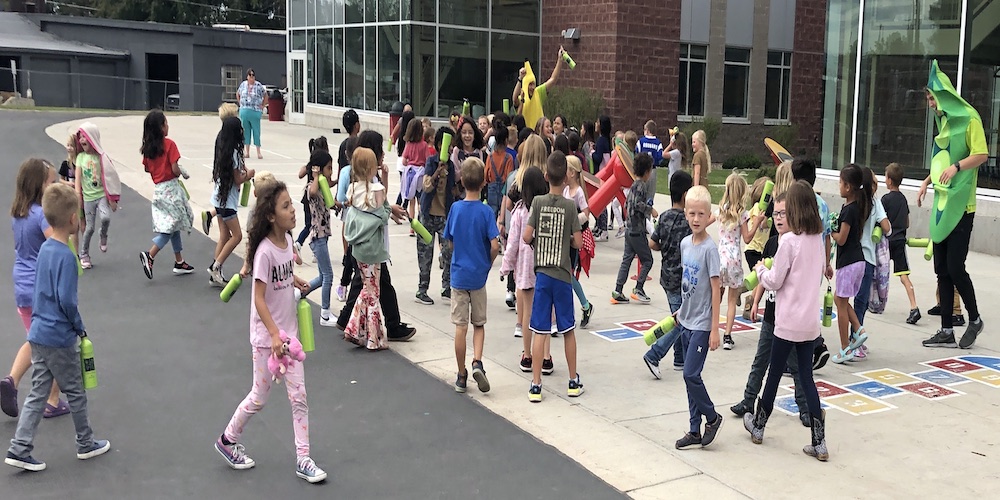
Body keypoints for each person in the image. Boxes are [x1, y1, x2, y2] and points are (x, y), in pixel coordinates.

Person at [214, 180, 326, 483]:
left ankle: (303, 458)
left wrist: (295, 280)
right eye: (286, 206)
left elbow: (283, 275)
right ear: (271, 216)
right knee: (259, 397)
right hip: (267, 340)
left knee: (299, 397)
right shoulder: (264, 252)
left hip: (288, 337)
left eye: (292, 204)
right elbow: (259, 298)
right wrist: (275, 335)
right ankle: (227, 440)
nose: (293, 211)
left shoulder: (288, 242)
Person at [5, 183, 111, 472]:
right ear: (74, 219)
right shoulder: (66, 256)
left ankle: (20, 446)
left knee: (38, 391)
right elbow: (66, 300)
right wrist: (79, 327)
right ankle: (85, 442)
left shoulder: (45, 251)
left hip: (38, 333)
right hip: (58, 336)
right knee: (75, 390)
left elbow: (41, 291)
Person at [743, 181, 829, 462]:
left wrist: (759, 268)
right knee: (806, 378)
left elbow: (774, 280)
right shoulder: (817, 238)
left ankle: (758, 425)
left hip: (787, 321)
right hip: (809, 323)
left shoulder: (789, 241)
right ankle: (819, 442)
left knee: (775, 373)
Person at [918, 60, 986, 349]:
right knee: (941, 270)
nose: (931, 104)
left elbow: (981, 154)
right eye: (929, 99)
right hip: (943, 205)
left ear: (945, 94)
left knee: (956, 267)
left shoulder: (970, 119)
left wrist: (958, 167)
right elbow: (941, 163)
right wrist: (926, 181)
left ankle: (975, 319)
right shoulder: (944, 122)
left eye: (933, 98)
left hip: (963, 207)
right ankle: (946, 328)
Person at [731, 194, 812, 428]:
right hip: (772, 315)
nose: (778, 218)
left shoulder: (797, 243)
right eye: (775, 213)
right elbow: (763, 276)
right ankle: (748, 400)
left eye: (783, 213)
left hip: (791, 318)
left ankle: (805, 408)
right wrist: (756, 301)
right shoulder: (773, 243)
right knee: (761, 359)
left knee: (797, 366)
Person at [335, 131, 416, 341]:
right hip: (371, 244)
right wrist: (390, 210)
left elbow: (381, 204)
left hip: (362, 242)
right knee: (374, 287)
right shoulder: (371, 182)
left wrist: (390, 207)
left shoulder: (362, 180)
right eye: (380, 150)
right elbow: (380, 208)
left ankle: (350, 320)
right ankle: (382, 326)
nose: (383, 155)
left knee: (365, 283)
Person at [2, 159, 67, 420]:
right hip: (42, 287)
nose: (56, 186)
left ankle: (12, 380)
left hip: (23, 286)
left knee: (36, 340)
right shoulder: (41, 215)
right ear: (39, 186)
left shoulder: (19, 213)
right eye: (52, 182)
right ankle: (51, 399)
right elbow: (56, 241)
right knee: (53, 344)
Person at [523, 151, 583, 403]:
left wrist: (539, 241)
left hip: (543, 274)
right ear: (566, 179)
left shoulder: (537, 202)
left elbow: (527, 236)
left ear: (546, 176)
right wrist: (566, 238)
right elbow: (578, 243)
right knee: (568, 329)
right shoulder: (570, 207)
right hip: (562, 274)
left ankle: (536, 385)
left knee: (540, 329)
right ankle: (572, 381)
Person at [673, 185, 724, 450]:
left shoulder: (709, 249)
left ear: (709, 216)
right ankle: (694, 429)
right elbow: (687, 284)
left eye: (701, 214)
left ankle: (712, 417)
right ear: (685, 213)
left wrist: (715, 328)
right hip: (686, 320)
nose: (695, 219)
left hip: (703, 324)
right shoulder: (685, 244)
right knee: (687, 377)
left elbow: (716, 289)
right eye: (691, 213)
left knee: (691, 374)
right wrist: (680, 311)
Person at [444, 158, 500, 392]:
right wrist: (488, 262)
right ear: (483, 181)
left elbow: (449, 241)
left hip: (459, 275)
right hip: (478, 276)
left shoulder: (456, 209)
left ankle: (461, 374)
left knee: (460, 326)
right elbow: (495, 244)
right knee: (479, 324)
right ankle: (477, 360)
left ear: (462, 181)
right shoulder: (486, 212)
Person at [643, 170, 693, 378]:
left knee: (679, 316)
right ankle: (654, 354)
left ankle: (680, 359)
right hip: (682, 280)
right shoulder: (688, 221)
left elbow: (653, 243)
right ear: (685, 196)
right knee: (681, 320)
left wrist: (665, 247)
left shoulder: (663, 217)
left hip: (667, 277)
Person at [138, 110, 196, 280]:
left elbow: (147, 168)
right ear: (161, 127)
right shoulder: (169, 145)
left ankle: (179, 261)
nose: (167, 126)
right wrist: (180, 173)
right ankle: (150, 255)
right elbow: (174, 168)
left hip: (159, 190)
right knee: (170, 227)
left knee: (173, 224)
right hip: (172, 190)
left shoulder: (148, 149)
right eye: (166, 123)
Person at [343, 148, 391, 351]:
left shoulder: (353, 188)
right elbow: (384, 212)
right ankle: (373, 337)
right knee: (373, 293)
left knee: (366, 288)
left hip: (358, 248)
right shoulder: (377, 189)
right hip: (373, 248)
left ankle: (355, 329)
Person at [501, 167, 546, 372]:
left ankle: (527, 355)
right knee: (545, 312)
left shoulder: (519, 211)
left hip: (526, 269)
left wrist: (506, 267)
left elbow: (512, 244)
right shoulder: (546, 209)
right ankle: (545, 356)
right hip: (546, 266)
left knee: (526, 312)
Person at [204, 117, 255, 288]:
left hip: (219, 198)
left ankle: (215, 273)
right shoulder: (233, 153)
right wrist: (250, 174)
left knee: (225, 236)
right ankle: (215, 266)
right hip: (227, 201)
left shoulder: (223, 149)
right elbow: (238, 179)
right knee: (237, 236)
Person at [830, 164, 871, 363]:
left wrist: (831, 231)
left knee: (841, 303)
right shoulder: (855, 206)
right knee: (841, 300)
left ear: (848, 187)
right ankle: (859, 328)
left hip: (848, 262)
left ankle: (845, 347)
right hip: (857, 261)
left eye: (840, 182)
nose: (838, 186)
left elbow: (842, 239)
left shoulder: (849, 210)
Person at [851, 167, 891, 357]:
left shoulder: (854, 201)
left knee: (854, 299)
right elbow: (887, 227)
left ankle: (854, 336)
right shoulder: (875, 203)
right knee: (861, 301)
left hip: (851, 257)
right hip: (866, 258)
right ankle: (855, 338)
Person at [715, 173, 758, 350]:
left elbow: (708, 219)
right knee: (732, 301)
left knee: (717, 296)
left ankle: (710, 329)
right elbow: (747, 238)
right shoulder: (743, 214)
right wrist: (757, 223)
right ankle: (727, 336)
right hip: (734, 259)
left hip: (720, 258)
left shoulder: (720, 211)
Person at [415, 127, 457, 306]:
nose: (450, 149)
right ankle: (422, 289)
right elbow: (426, 186)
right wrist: (436, 173)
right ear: (440, 145)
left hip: (444, 215)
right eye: (448, 146)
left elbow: (453, 190)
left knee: (449, 250)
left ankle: (446, 286)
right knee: (425, 252)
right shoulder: (431, 162)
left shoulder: (452, 167)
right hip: (427, 214)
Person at [611, 153, 657, 304]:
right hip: (637, 231)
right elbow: (637, 204)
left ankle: (618, 290)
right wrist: (650, 210)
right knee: (648, 260)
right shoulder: (641, 186)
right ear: (647, 172)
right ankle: (639, 287)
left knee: (627, 259)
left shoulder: (632, 186)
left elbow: (626, 205)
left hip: (629, 229)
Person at [74, 122, 121, 270]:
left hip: (101, 196)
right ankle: (84, 255)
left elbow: (110, 177)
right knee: (89, 228)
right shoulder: (81, 157)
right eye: (80, 137)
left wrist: (113, 199)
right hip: (88, 198)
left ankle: (103, 234)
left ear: (92, 138)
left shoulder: (102, 158)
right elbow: (77, 179)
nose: (82, 140)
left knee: (106, 218)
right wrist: (78, 197)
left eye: (85, 137)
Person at [301, 150, 338, 327]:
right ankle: (325, 313)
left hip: (323, 236)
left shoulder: (322, 186)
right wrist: (316, 175)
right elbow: (314, 191)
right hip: (318, 237)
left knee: (323, 276)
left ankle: (299, 292)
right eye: (329, 168)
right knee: (328, 275)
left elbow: (328, 193)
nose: (331, 172)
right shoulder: (311, 186)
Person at [881, 163, 920, 324]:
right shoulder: (903, 199)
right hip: (900, 241)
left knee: (876, 272)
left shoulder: (885, 199)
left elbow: (881, 221)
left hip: (886, 241)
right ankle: (914, 306)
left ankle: (874, 301)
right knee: (904, 275)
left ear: (889, 181)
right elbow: (907, 222)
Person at [564, 155, 594, 327]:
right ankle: (584, 305)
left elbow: (586, 212)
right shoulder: (566, 190)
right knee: (565, 273)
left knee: (569, 274)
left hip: (575, 238)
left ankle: (585, 305)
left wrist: (573, 219)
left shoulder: (579, 192)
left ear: (573, 173)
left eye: (566, 169)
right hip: (566, 236)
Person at [511, 48, 566, 131]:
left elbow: (553, 79)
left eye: (534, 84)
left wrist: (559, 60)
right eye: (530, 84)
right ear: (525, 85)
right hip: (525, 135)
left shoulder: (538, 92)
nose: (532, 87)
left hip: (539, 134)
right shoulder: (521, 98)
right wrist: (520, 78)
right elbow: (514, 99)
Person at [293, 136, 330, 251]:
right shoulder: (321, 167)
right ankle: (299, 243)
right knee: (318, 226)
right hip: (316, 200)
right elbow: (327, 184)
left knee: (310, 225)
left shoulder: (312, 165)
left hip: (307, 199)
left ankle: (299, 243)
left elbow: (300, 174)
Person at [401, 119, 430, 230]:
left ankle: (412, 227)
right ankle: (420, 224)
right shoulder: (424, 145)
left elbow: (404, 161)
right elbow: (427, 160)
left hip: (411, 174)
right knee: (420, 201)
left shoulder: (409, 144)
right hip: (421, 174)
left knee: (411, 202)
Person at [485, 124, 516, 219]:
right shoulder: (509, 158)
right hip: (504, 192)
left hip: (492, 191)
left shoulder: (490, 157)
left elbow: (486, 176)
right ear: (506, 140)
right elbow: (510, 178)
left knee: (492, 216)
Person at [236, 68, 266, 159]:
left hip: (255, 111)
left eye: (253, 75)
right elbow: (238, 93)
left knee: (256, 132)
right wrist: (240, 103)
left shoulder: (258, 85)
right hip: (244, 110)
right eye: (250, 75)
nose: (251, 77)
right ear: (247, 76)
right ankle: (247, 152)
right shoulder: (243, 85)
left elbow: (265, 95)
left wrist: (262, 105)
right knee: (246, 132)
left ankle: (258, 152)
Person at [591, 116, 613, 240]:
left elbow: (598, 158)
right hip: (604, 172)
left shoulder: (601, 141)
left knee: (601, 201)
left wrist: (592, 153)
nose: (596, 123)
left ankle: (603, 229)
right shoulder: (606, 140)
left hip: (600, 172)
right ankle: (599, 226)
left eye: (598, 122)